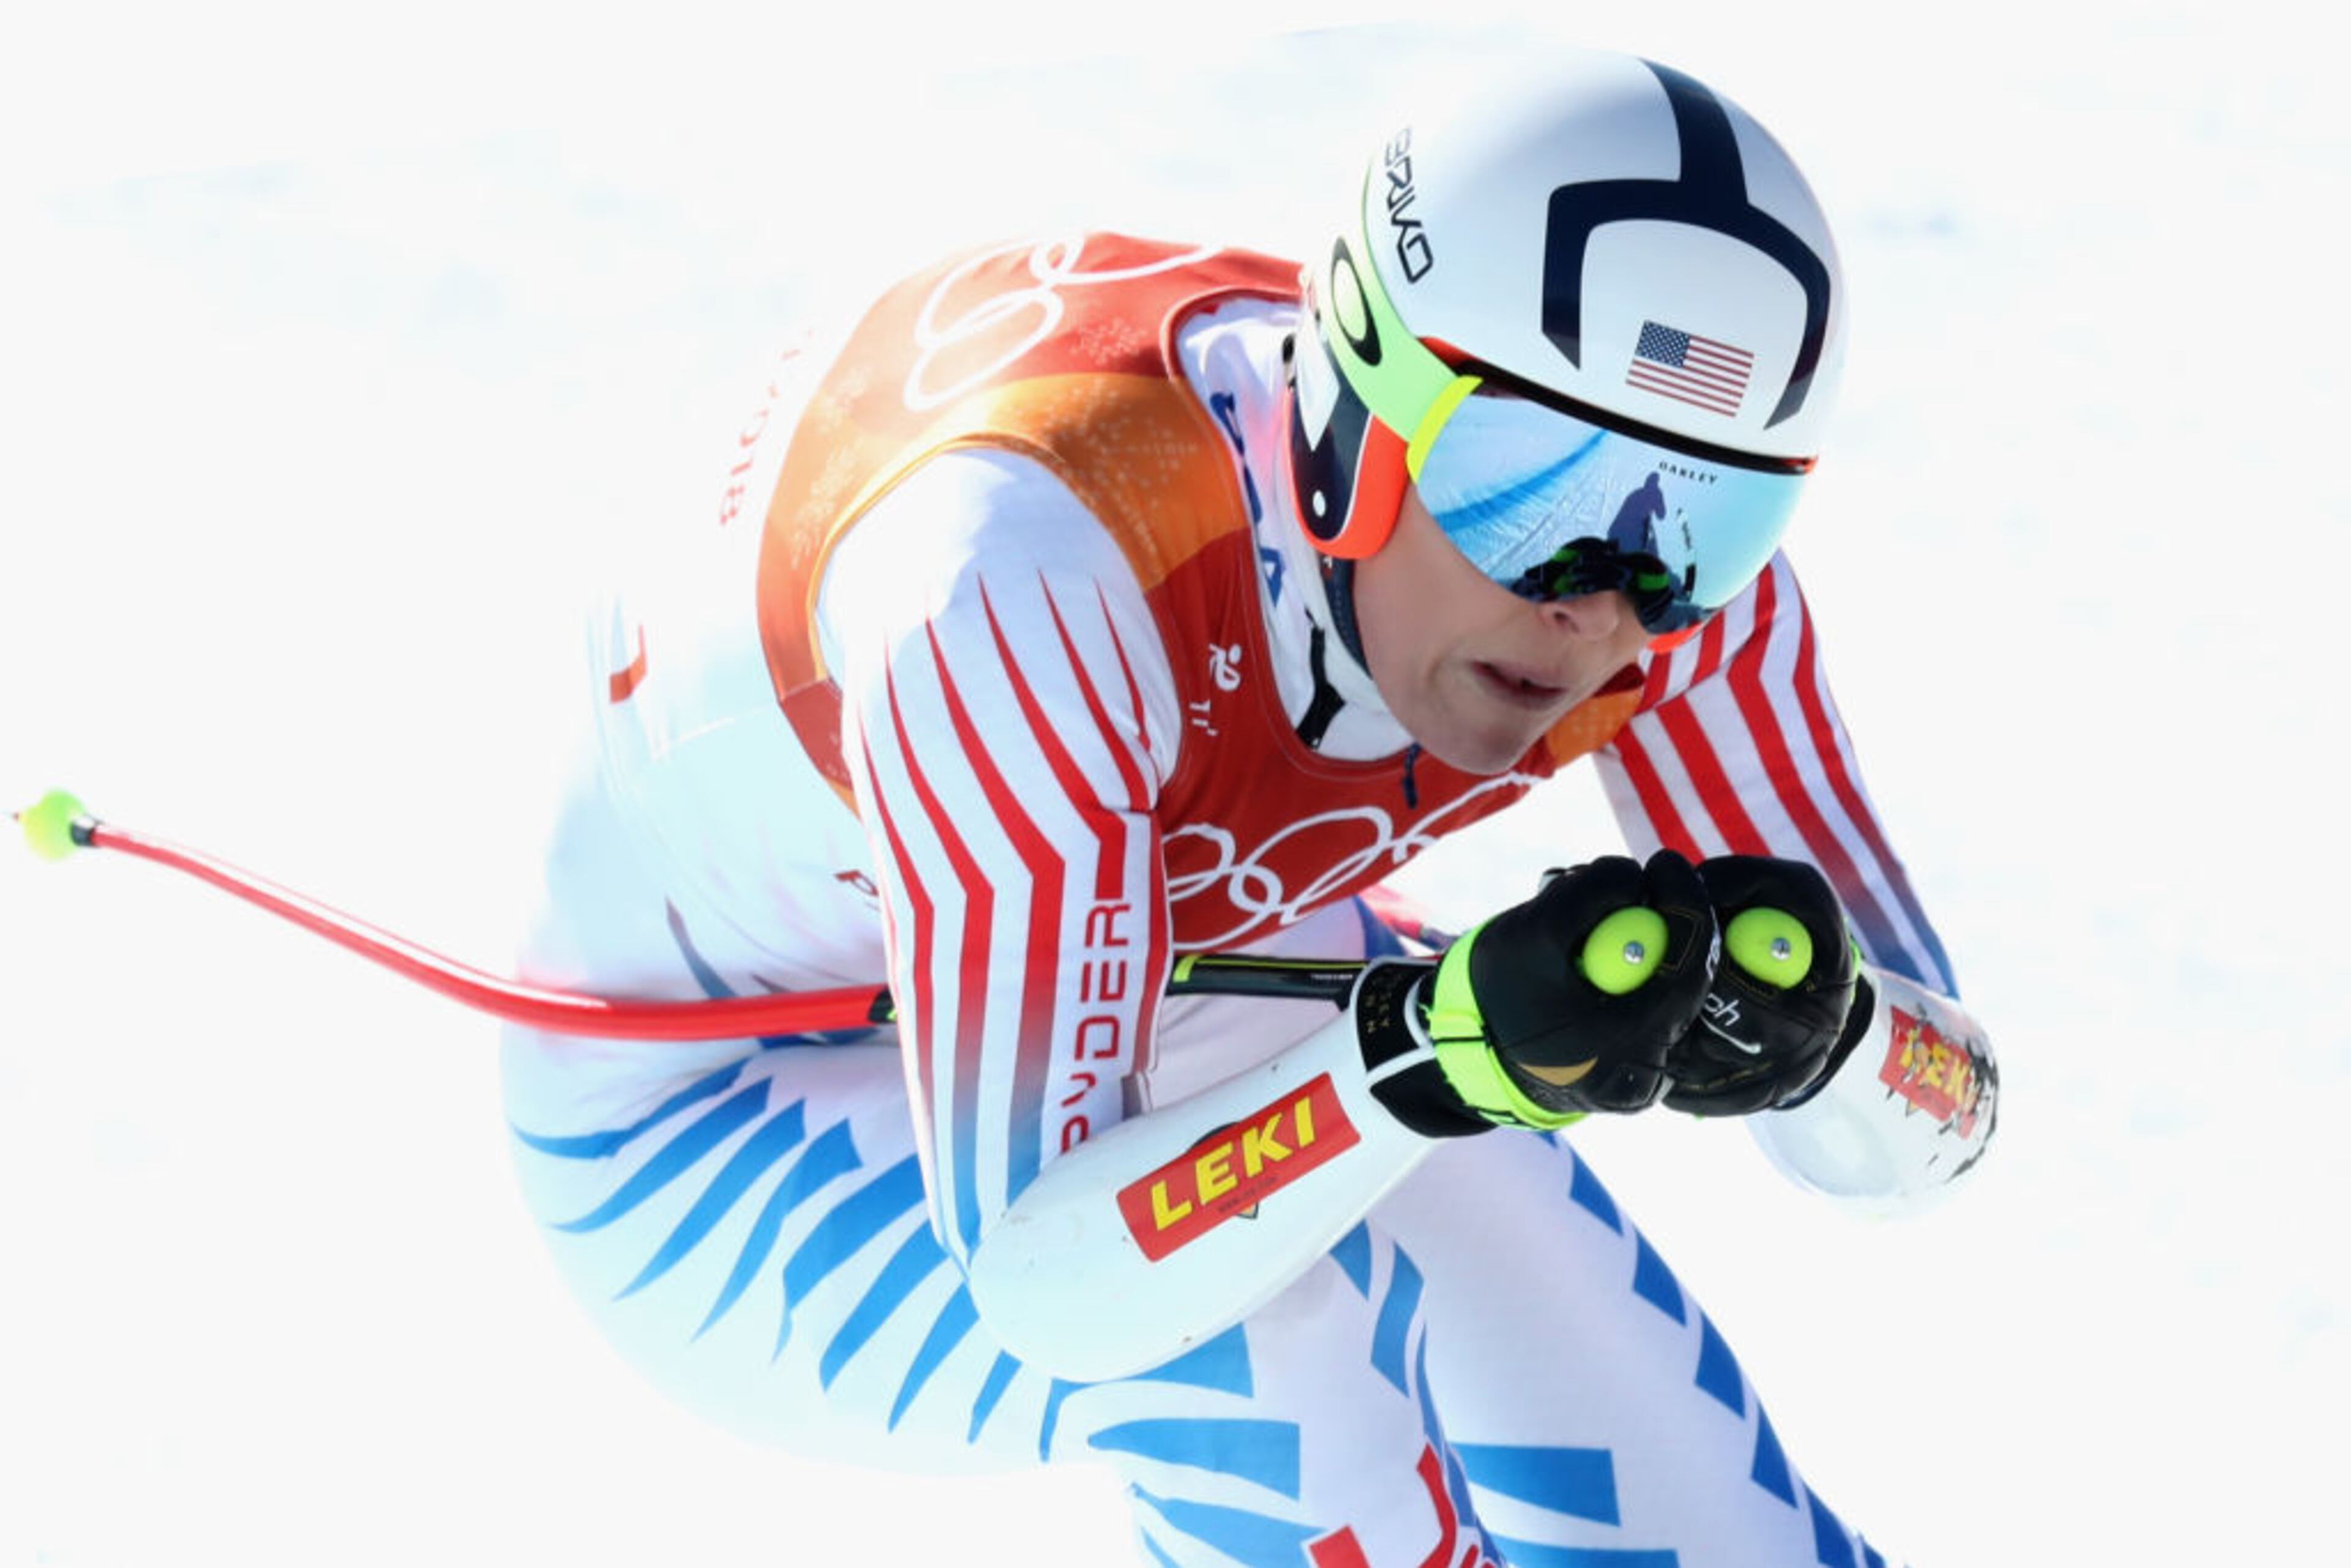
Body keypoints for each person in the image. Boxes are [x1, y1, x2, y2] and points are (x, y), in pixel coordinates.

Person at [500, 45, 1997, 1568]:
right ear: (1360, 416)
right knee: (1267, 1355)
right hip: (703, 1117)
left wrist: (1838, 1039)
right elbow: (1052, 1282)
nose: (1603, 604)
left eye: (1712, 511)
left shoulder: (1674, 608)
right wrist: (1438, 1053)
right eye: (1526, 489)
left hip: (1169, 983)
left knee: (1690, 1492)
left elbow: (1935, 1130)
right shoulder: (1026, 582)